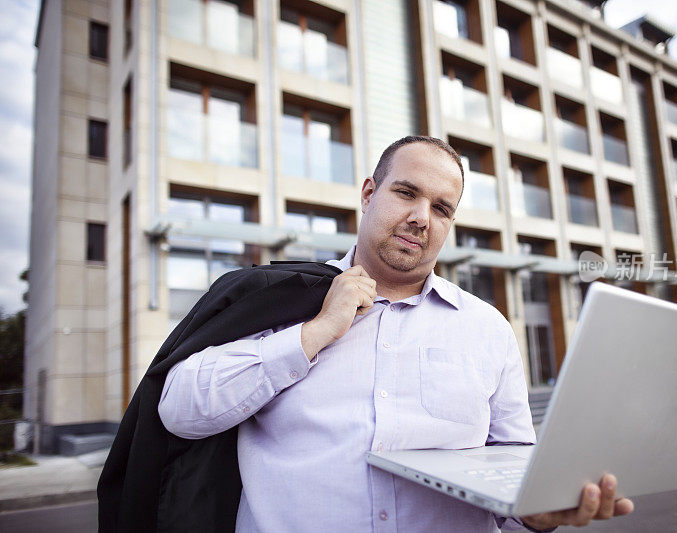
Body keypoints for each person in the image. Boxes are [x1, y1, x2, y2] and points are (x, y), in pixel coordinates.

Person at [158, 136, 634, 532]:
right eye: (406, 193)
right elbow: (178, 408)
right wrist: (316, 332)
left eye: (442, 208)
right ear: (368, 194)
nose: (422, 218)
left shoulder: (487, 328)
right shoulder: (279, 299)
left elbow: (511, 463)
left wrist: (537, 510)